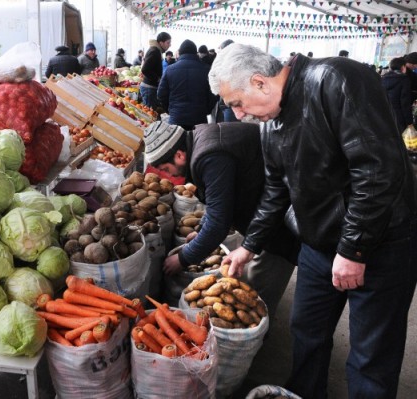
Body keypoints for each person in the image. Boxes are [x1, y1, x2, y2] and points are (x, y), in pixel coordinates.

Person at [209, 43, 417, 399]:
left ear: (259, 82)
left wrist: (354, 250)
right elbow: (276, 190)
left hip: (381, 244)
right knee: (306, 331)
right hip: (319, 244)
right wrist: (249, 247)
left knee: (371, 354)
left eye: (236, 103)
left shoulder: (337, 80)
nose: (239, 115)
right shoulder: (270, 122)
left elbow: (377, 171)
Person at [143, 121, 298, 320]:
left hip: (279, 223)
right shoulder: (201, 139)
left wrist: (183, 259)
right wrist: (200, 228)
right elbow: (221, 199)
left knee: (257, 295)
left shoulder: (210, 156)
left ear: (179, 155)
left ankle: (256, 336)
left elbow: (218, 223)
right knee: (252, 277)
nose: (169, 175)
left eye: (166, 168)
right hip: (264, 215)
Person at [157, 40, 217, 130]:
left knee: (177, 142)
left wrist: (171, 110)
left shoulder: (169, 70)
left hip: (176, 118)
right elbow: (214, 93)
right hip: (199, 118)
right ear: (196, 53)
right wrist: (207, 110)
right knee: (198, 143)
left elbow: (161, 95)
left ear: (180, 53)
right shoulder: (207, 70)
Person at [382, 57, 413, 134]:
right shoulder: (404, 80)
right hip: (398, 117)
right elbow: (405, 103)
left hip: (383, 114)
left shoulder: (383, 78)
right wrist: (409, 122)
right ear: (403, 67)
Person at [140, 32, 171, 110]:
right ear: (161, 43)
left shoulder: (156, 50)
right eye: (168, 42)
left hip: (150, 88)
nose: (169, 45)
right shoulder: (155, 51)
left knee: (151, 112)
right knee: (149, 114)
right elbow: (145, 69)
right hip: (148, 88)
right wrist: (157, 79)